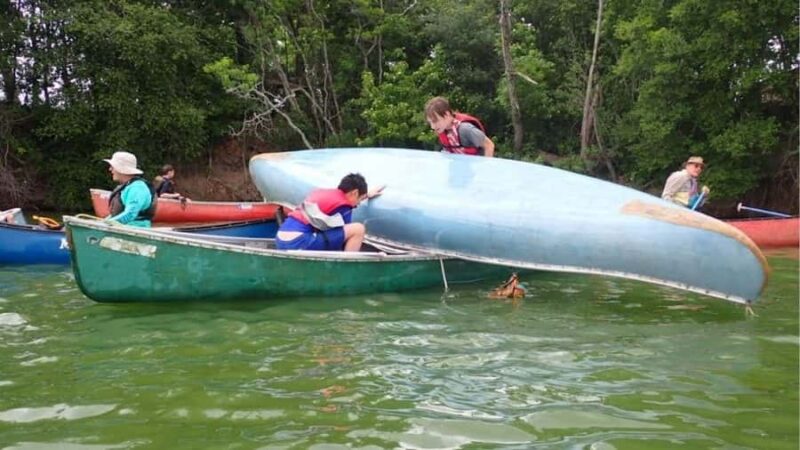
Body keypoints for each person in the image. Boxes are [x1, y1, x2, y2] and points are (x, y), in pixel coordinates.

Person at [276, 173, 383, 252]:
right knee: (358, 229)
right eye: (361, 198)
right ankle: (347, 268)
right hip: (298, 242)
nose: (358, 204)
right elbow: (344, 238)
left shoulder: (323, 193)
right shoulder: (344, 206)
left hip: (281, 239)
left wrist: (367, 195)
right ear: (354, 193)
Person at [424, 96, 495, 157]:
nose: (432, 127)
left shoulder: (466, 129)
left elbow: (489, 145)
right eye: (430, 123)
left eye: (435, 121)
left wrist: (486, 168)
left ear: (447, 114)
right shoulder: (443, 130)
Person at [103, 151, 158, 227]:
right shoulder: (127, 186)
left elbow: (130, 214)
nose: (110, 169)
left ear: (121, 169)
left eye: (113, 167)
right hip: (122, 230)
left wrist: (107, 224)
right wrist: (104, 222)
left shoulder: (137, 188)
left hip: (135, 231)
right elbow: (116, 215)